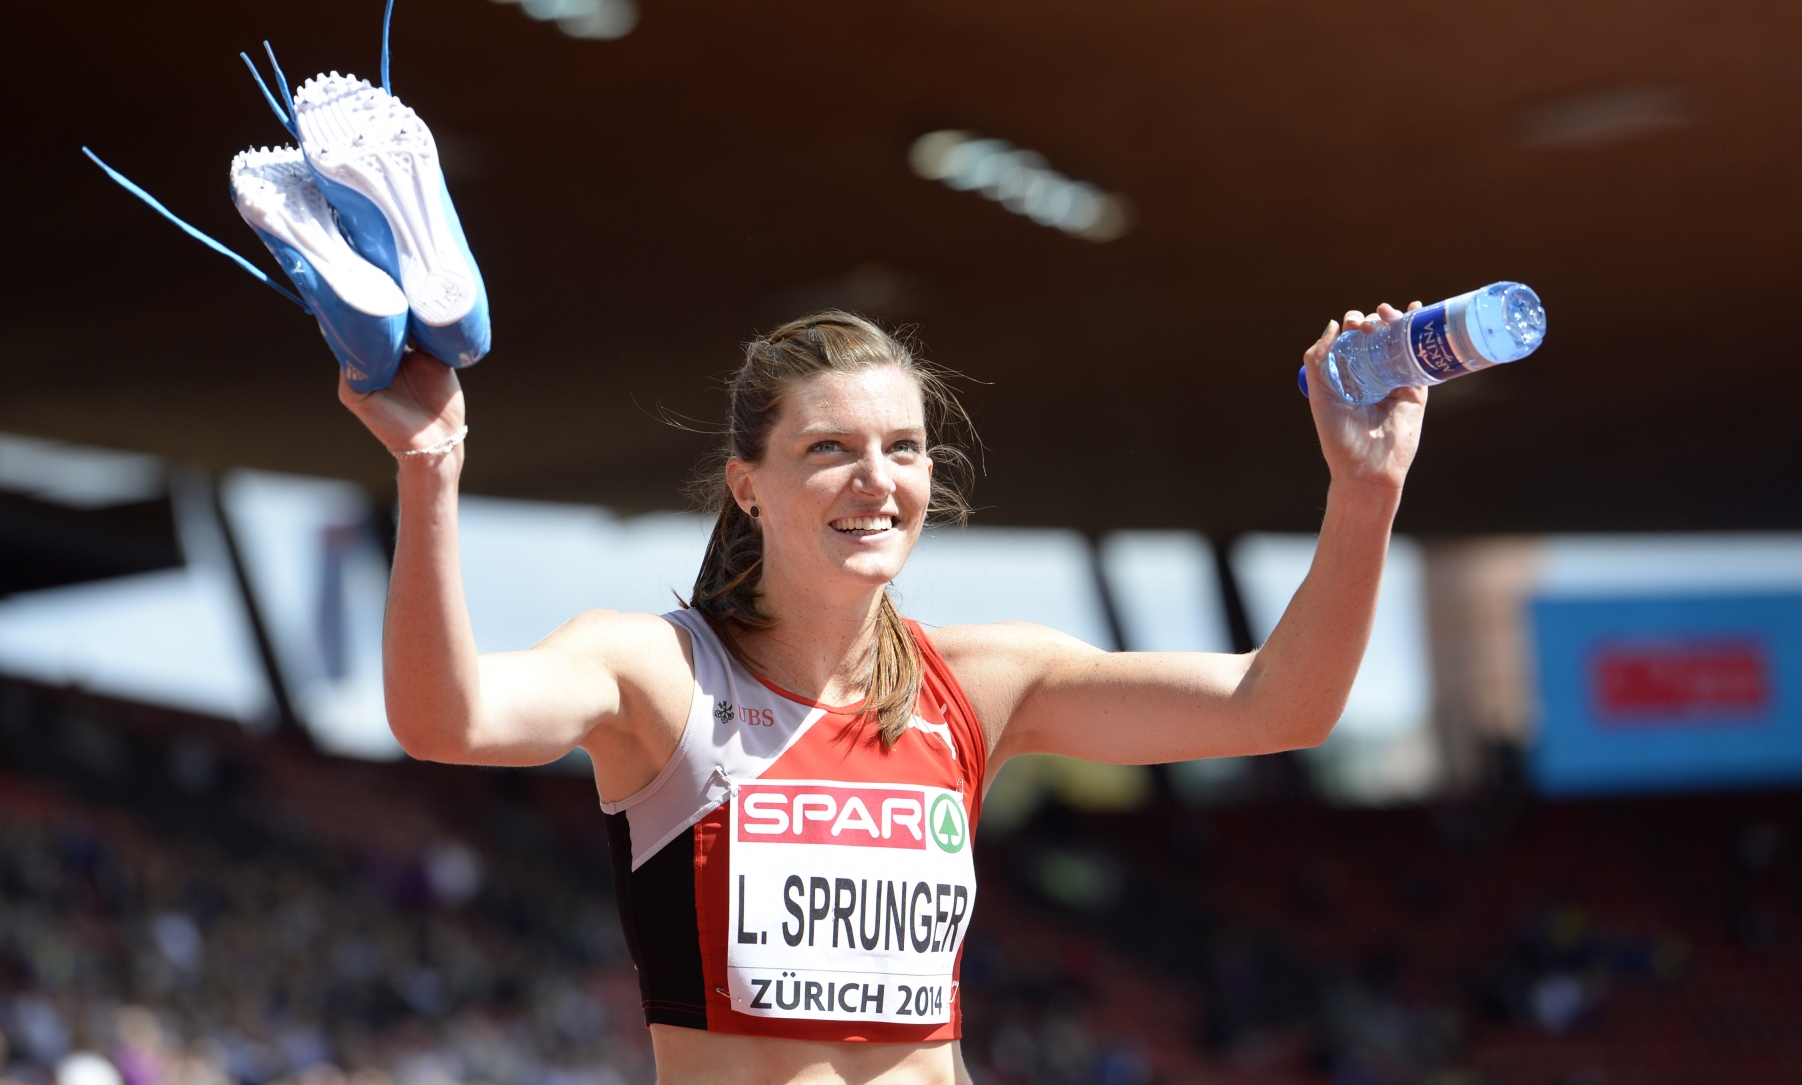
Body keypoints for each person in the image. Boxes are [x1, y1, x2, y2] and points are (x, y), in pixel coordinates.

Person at [341, 306, 1427, 1085]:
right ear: (746, 487)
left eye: (902, 448)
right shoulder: (655, 675)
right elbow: (447, 719)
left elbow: (1277, 707)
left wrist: (1363, 492)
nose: (877, 480)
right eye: (829, 450)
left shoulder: (984, 683)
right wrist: (429, 471)